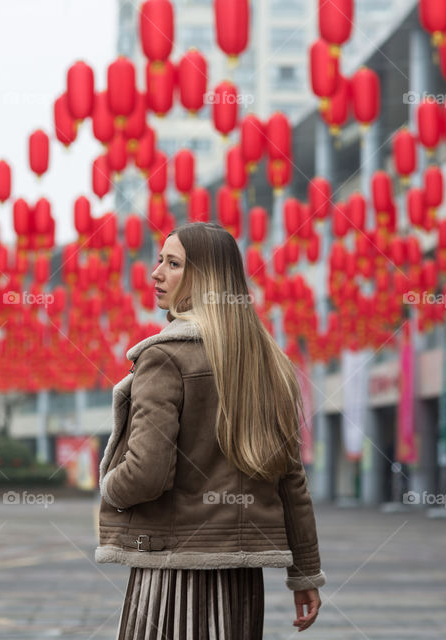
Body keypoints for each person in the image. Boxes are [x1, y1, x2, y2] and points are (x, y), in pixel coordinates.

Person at [96, 222, 325, 638]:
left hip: (170, 574)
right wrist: (305, 573)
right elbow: (291, 479)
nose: (156, 273)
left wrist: (111, 487)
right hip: (240, 580)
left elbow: (147, 471)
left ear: (204, 278)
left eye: (173, 263)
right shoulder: (268, 362)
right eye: (159, 261)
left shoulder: (165, 357)